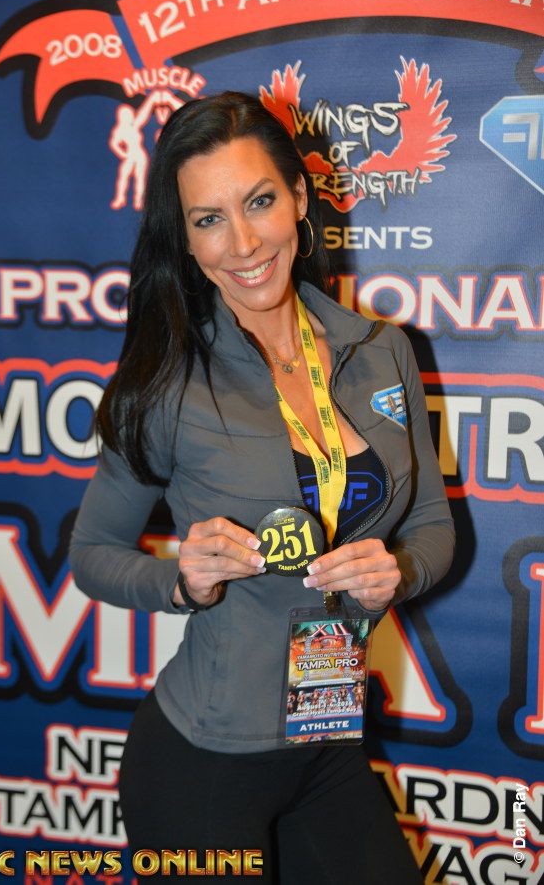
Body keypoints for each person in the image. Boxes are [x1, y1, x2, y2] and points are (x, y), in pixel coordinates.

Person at [70, 91, 454, 883]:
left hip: (329, 740)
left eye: (259, 202)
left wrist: (401, 570)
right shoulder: (166, 384)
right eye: (208, 219)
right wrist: (182, 581)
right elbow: (93, 554)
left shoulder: (382, 351)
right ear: (184, 238)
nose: (242, 244)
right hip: (203, 764)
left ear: (299, 199)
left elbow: (429, 521)